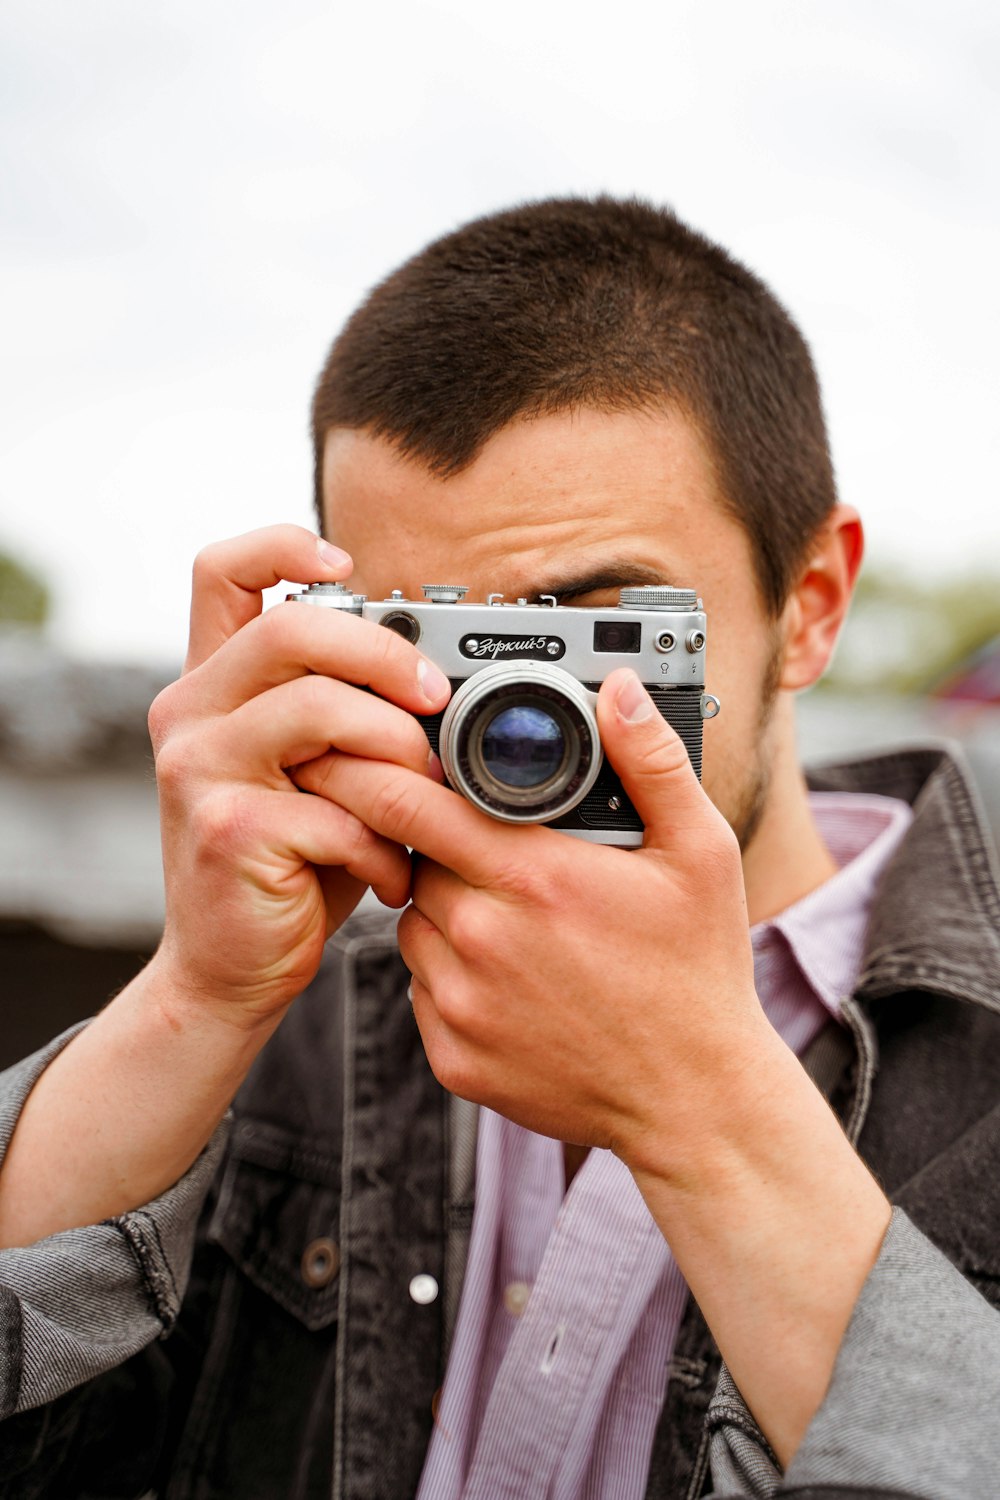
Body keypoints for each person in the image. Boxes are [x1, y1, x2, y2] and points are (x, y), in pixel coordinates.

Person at [1, 197, 999, 1500]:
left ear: (809, 605)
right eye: (442, 641)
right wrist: (197, 997)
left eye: (594, 634)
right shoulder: (286, 1033)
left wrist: (703, 1111)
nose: (511, 717)